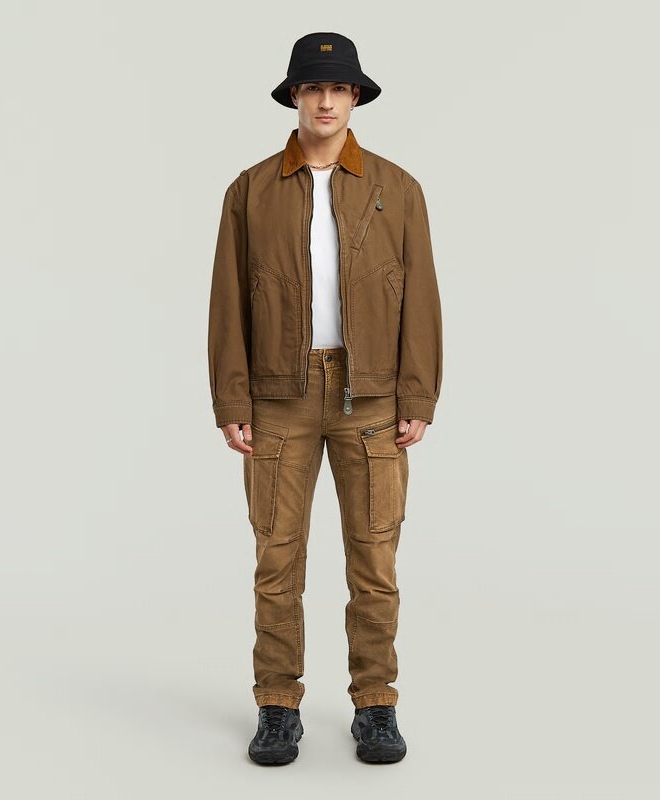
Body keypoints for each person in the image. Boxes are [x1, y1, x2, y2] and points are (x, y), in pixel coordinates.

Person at [207, 31, 443, 765]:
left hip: (370, 398)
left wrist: (417, 393)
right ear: (294, 97)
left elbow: (420, 298)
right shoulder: (250, 191)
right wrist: (232, 400)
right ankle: (277, 706)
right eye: (313, 88)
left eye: (339, 88)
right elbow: (227, 304)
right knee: (276, 561)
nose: (326, 101)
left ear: (356, 97)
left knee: (374, 560)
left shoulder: (397, 189)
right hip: (277, 397)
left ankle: (376, 705)